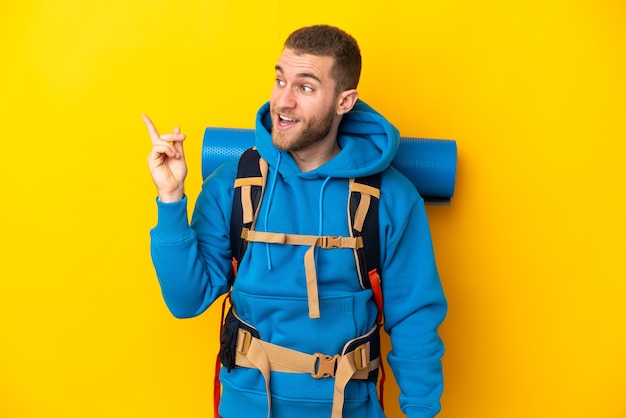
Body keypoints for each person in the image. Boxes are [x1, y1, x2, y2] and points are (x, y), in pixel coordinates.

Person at [144, 24, 447, 418]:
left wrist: (421, 411)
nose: (282, 101)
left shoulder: (389, 196)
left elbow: (414, 318)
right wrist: (170, 199)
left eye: (305, 87)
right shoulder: (232, 186)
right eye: (279, 80)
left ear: (344, 101)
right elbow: (186, 301)